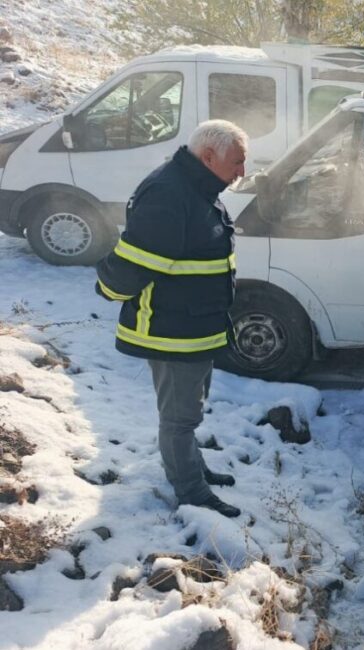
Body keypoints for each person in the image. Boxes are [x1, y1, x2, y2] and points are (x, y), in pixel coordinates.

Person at [94, 120, 247, 519]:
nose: (241, 172)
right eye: (237, 162)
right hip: (172, 332)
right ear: (209, 157)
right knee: (179, 419)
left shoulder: (198, 185)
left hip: (196, 326)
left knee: (188, 411)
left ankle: (191, 468)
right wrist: (108, 289)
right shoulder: (169, 192)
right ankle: (191, 490)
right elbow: (133, 263)